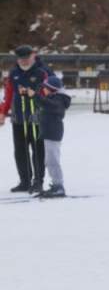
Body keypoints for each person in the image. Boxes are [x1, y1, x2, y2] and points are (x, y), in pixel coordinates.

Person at [1, 45, 52, 193]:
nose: (24, 61)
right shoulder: (13, 73)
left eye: (26, 58)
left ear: (33, 55)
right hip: (18, 117)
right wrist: (3, 112)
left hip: (37, 117)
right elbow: (8, 94)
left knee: (38, 150)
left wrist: (37, 95)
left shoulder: (42, 71)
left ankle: (38, 180)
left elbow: (50, 91)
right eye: (21, 59)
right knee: (20, 150)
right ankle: (25, 180)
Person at [32, 72, 72, 198]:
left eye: (45, 87)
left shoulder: (59, 99)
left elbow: (50, 106)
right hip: (48, 132)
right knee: (49, 160)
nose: (43, 89)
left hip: (53, 133)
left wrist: (36, 96)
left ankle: (58, 186)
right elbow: (45, 107)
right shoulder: (52, 98)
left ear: (51, 89)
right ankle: (55, 184)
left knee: (53, 160)